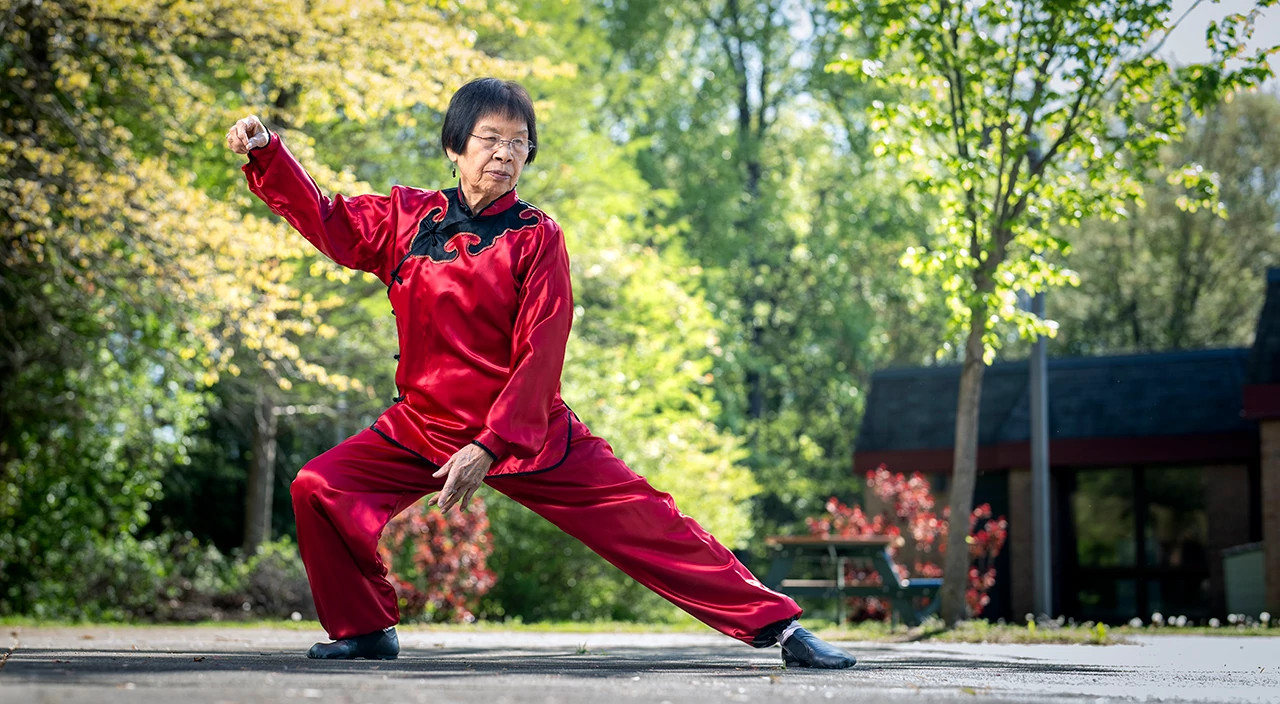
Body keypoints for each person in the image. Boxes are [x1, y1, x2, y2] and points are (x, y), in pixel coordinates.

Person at [225, 77, 856, 669]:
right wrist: (268, 154)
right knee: (319, 486)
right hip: (421, 426)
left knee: (648, 521)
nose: (503, 154)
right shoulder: (405, 219)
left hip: (528, 434)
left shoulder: (537, 236)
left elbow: (541, 349)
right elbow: (329, 222)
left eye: (518, 143)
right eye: (489, 140)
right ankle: (363, 629)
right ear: (454, 147)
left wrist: (490, 443)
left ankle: (782, 629)